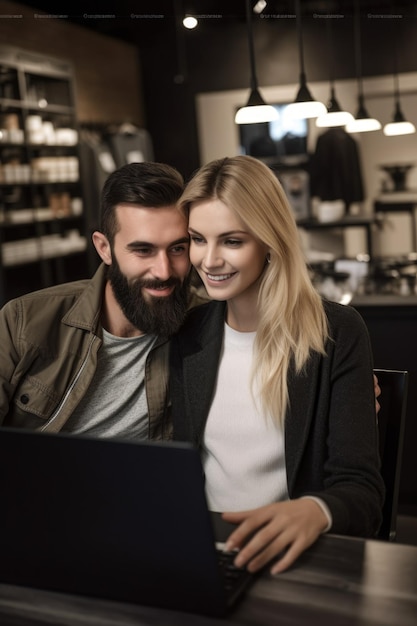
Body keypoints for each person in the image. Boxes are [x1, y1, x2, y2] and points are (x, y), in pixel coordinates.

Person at [169, 155, 385, 575]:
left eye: (231, 241)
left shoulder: (337, 331)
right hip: (206, 554)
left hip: (297, 561)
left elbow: (362, 491)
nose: (209, 260)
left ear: (270, 240)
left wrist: (315, 509)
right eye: (197, 239)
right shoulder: (188, 331)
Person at [0, 162, 191, 438]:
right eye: (143, 250)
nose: (164, 271)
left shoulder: (206, 319)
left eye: (177, 248)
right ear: (105, 249)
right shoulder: (22, 322)